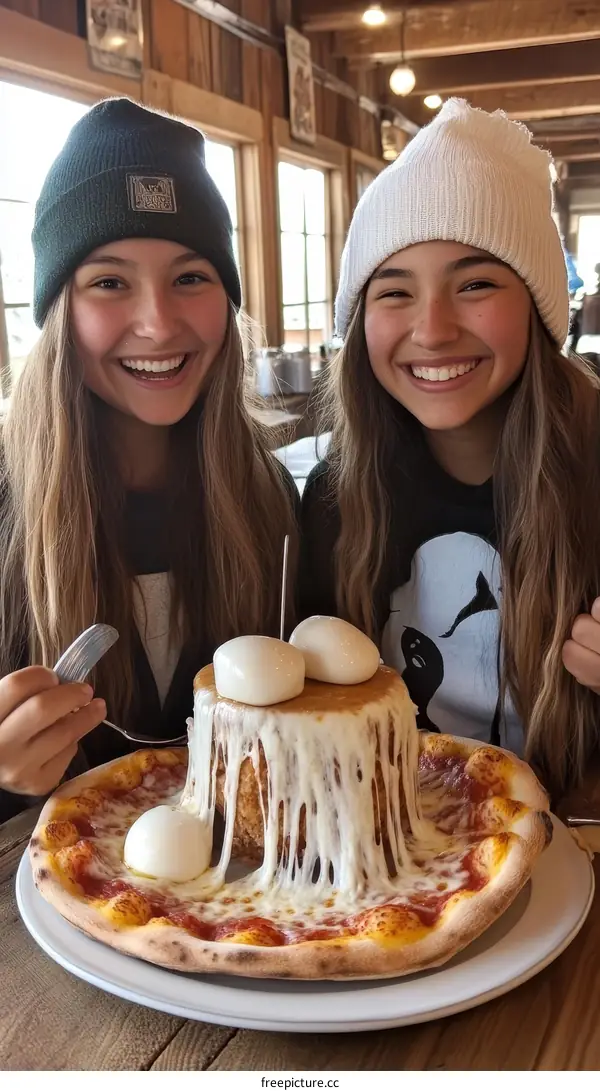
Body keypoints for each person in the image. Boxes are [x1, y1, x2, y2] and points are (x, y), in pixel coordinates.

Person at [0, 98, 298, 821]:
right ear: (59, 309)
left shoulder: (267, 497)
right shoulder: (8, 508)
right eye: (109, 282)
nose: (159, 324)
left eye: (190, 277)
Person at [300, 99, 600, 799]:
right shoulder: (337, 494)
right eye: (394, 292)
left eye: (475, 284)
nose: (432, 330)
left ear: (538, 307)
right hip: (398, 853)